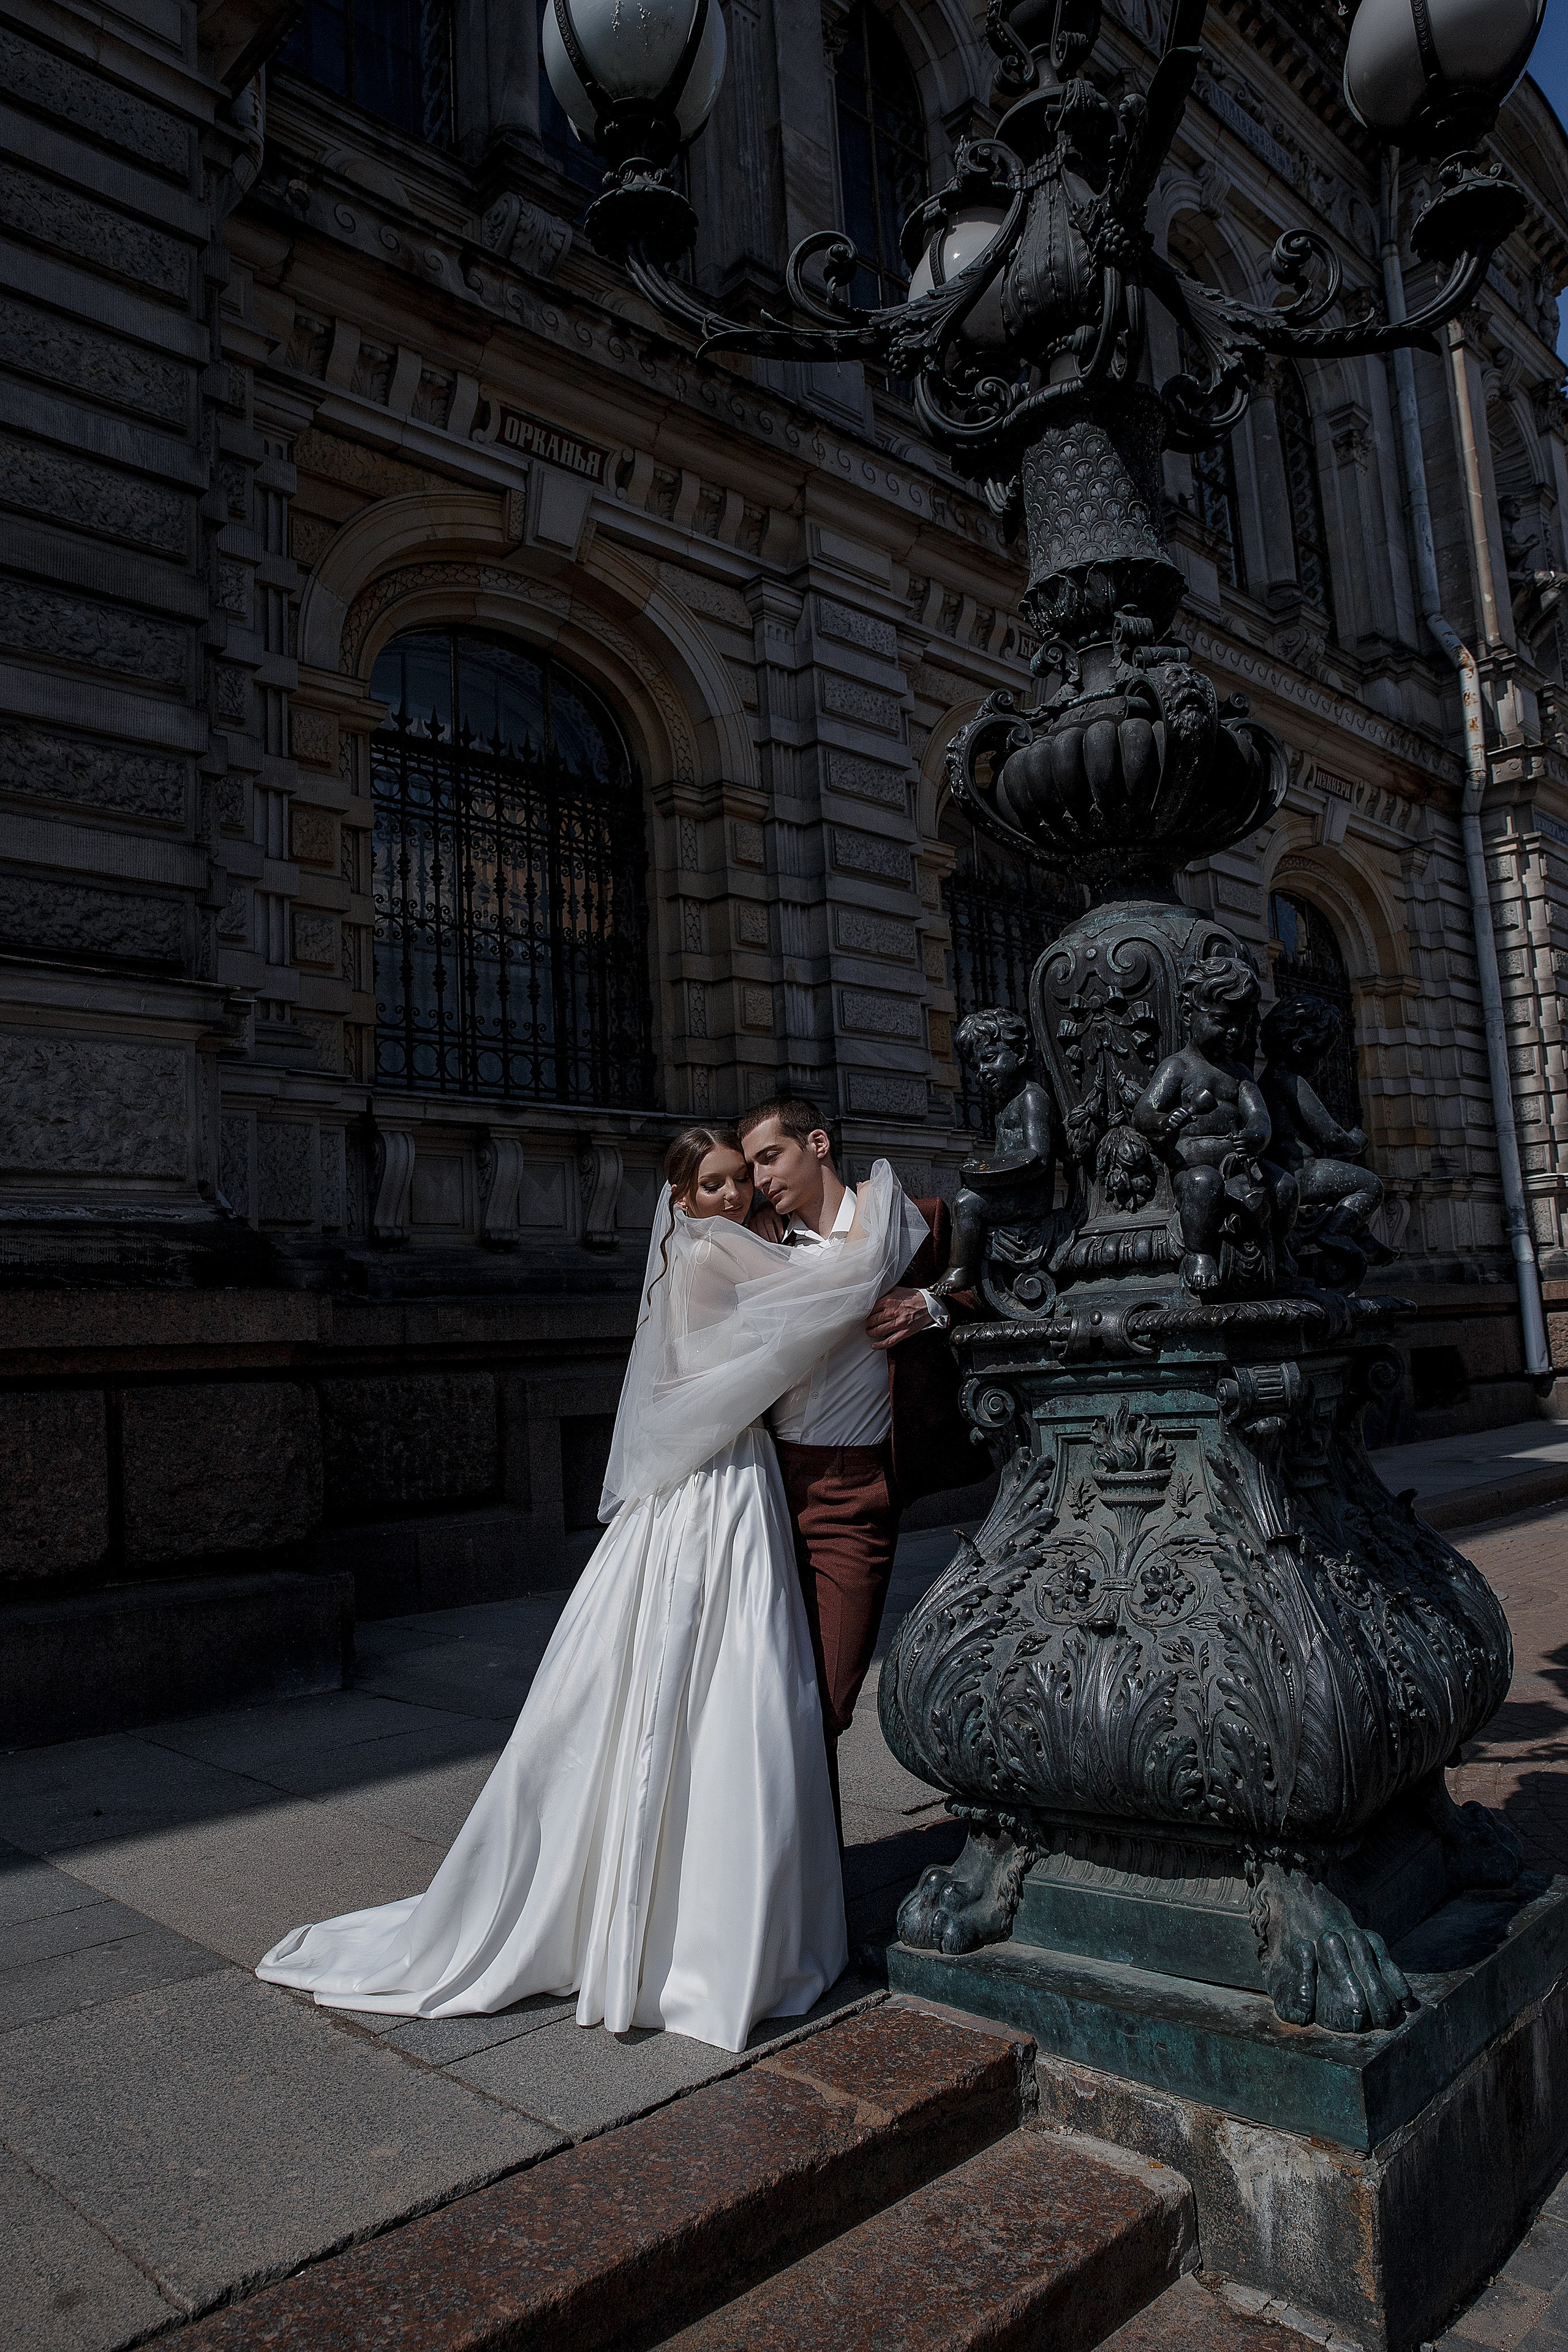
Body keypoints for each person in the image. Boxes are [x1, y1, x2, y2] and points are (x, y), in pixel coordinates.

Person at [257, 1127, 926, 2054]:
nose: (736, 1197)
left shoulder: (689, 1253)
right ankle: (715, 1925)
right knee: (726, 1689)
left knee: (700, 1690)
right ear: (682, 1199)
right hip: (717, 1491)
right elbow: (838, 1294)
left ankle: (686, 1907)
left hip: (724, 1481)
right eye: (716, 1184)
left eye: (742, 1179)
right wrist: (885, 1210)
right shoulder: (716, 1251)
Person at [737, 1098, 978, 1836]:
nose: (759, 1178)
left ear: (817, 1143)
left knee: (828, 1698)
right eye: (749, 1166)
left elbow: (1002, 1299)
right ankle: (799, 1898)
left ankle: (798, 1900)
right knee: (758, 1700)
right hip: (761, 1490)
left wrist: (934, 1306)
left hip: (854, 1495)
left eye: (769, 1157)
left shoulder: (917, 1223)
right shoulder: (754, 1240)